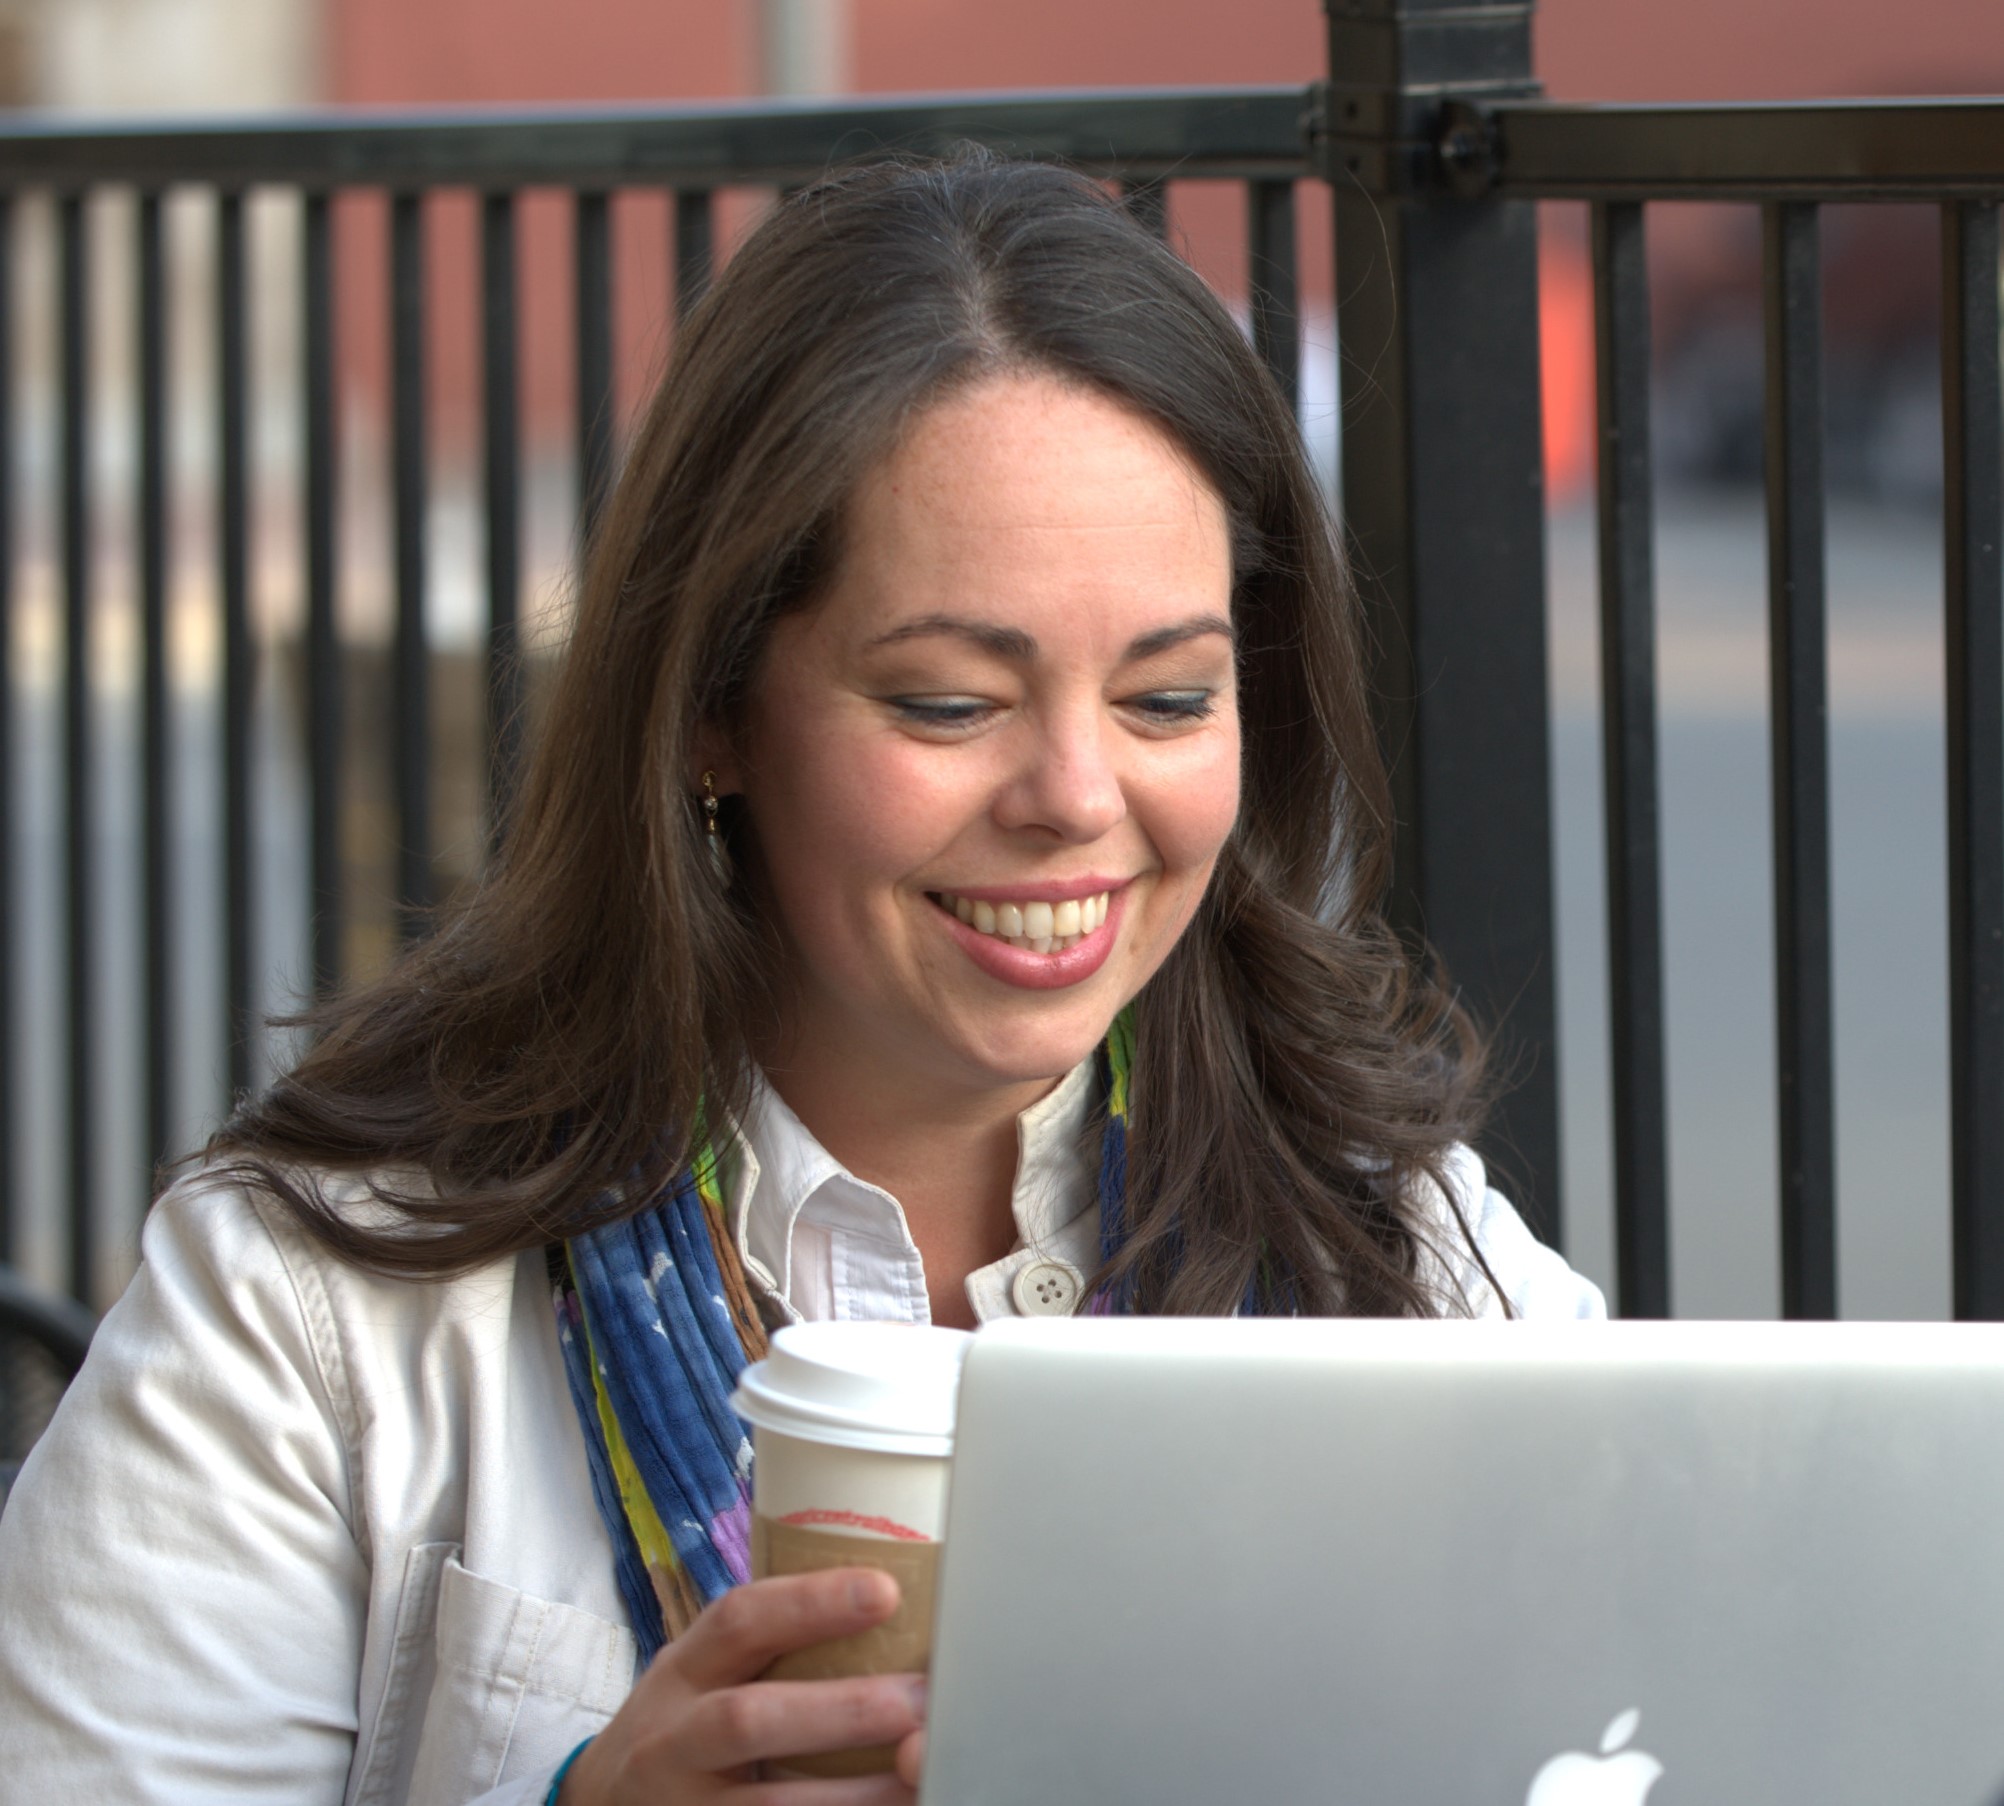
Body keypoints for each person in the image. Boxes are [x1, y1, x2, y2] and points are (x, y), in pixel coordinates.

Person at [0, 149, 1602, 1804]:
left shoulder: (1395, 1251)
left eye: (1169, 699)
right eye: (946, 702)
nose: (1075, 795)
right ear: (711, 708)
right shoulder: (327, 1296)